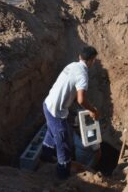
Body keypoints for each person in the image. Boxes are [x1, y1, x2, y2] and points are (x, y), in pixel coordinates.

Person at [41, 46, 100, 179]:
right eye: (94, 60)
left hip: (47, 104)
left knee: (52, 131)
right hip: (56, 112)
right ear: (91, 60)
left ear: (80, 57)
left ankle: (45, 157)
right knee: (64, 145)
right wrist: (93, 110)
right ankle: (63, 176)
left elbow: (68, 87)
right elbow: (81, 99)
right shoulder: (83, 75)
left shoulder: (72, 65)